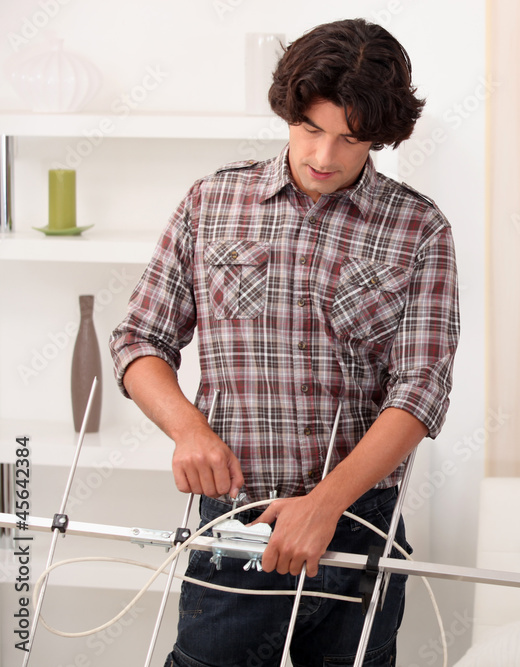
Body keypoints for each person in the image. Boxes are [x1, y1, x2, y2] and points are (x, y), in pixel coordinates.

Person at [109, 19, 460, 667]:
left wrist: (324, 504)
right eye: (311, 129)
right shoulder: (212, 202)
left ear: (380, 136)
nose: (324, 156)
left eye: (349, 139)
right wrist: (188, 427)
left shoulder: (419, 228)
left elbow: (421, 391)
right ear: (288, 112)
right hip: (238, 524)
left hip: (358, 523)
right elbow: (140, 339)